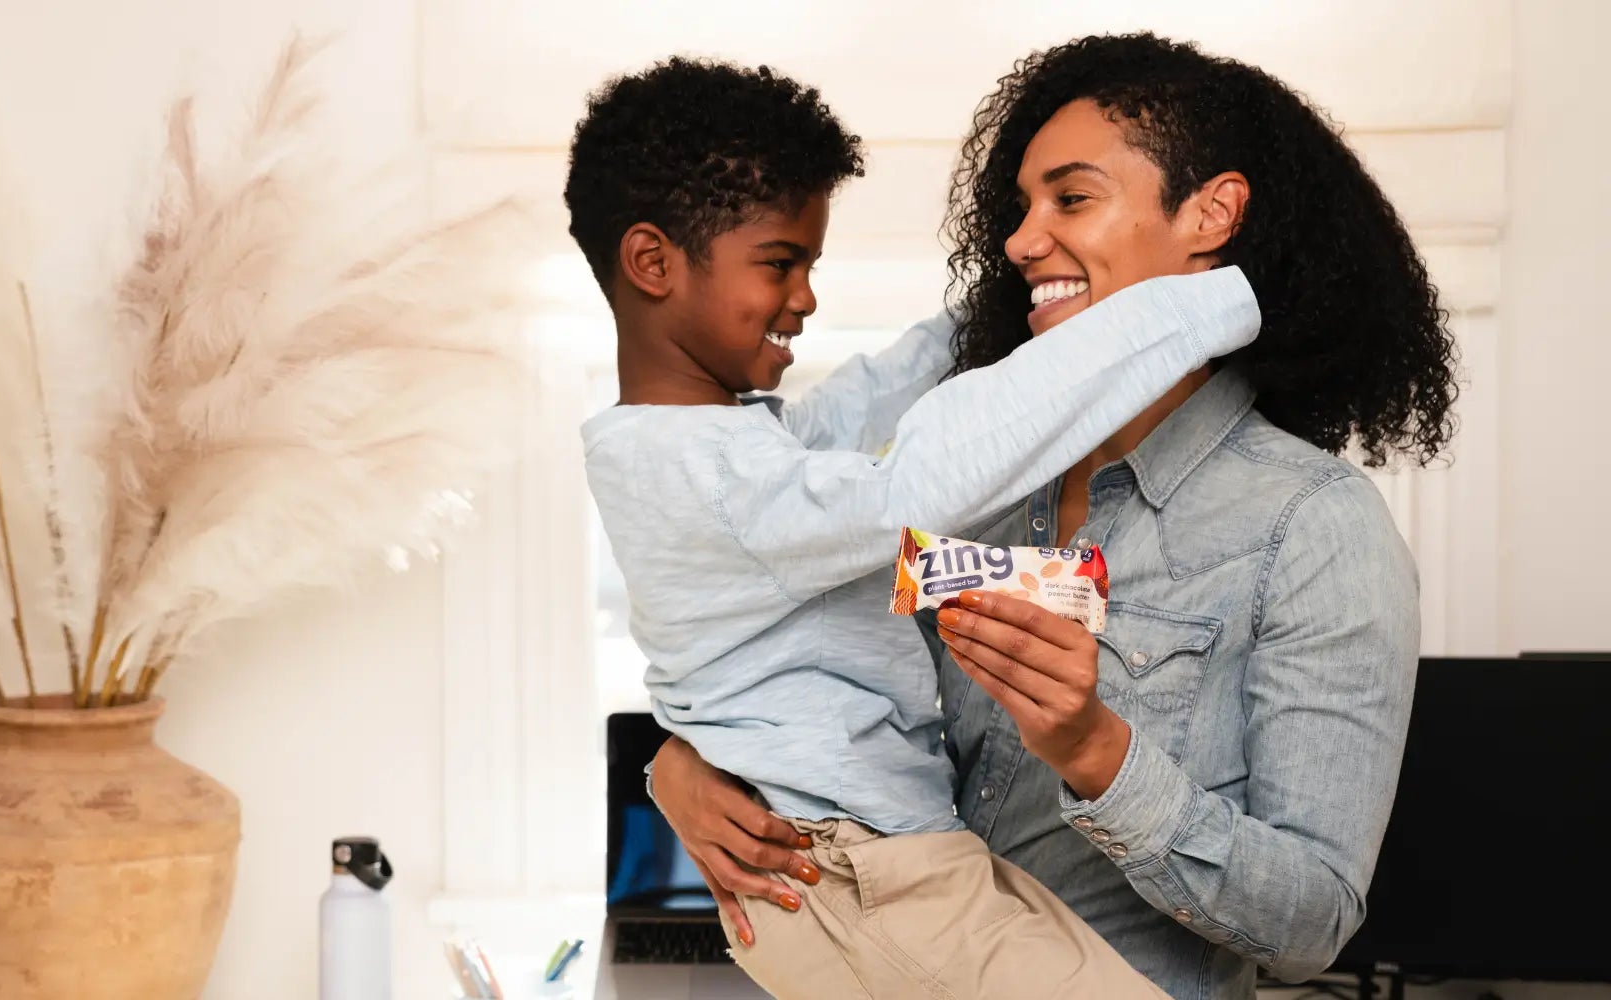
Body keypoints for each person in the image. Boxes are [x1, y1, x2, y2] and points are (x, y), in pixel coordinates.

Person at [646, 33, 1459, 1000]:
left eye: (1071, 199)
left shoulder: (1314, 527)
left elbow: (1311, 922)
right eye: (1023, 207)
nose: (1022, 241)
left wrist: (1097, 755)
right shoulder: (955, 489)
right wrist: (687, 766)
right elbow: (828, 684)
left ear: (1213, 213)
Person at [568, 55, 1263, 999]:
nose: (806, 297)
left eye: (1071, 203)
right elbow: (915, 484)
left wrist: (1000, 300)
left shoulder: (732, 448)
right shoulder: (706, 474)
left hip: (876, 863)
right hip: (855, 867)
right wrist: (1208, 303)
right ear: (652, 264)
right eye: (781, 263)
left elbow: (879, 397)